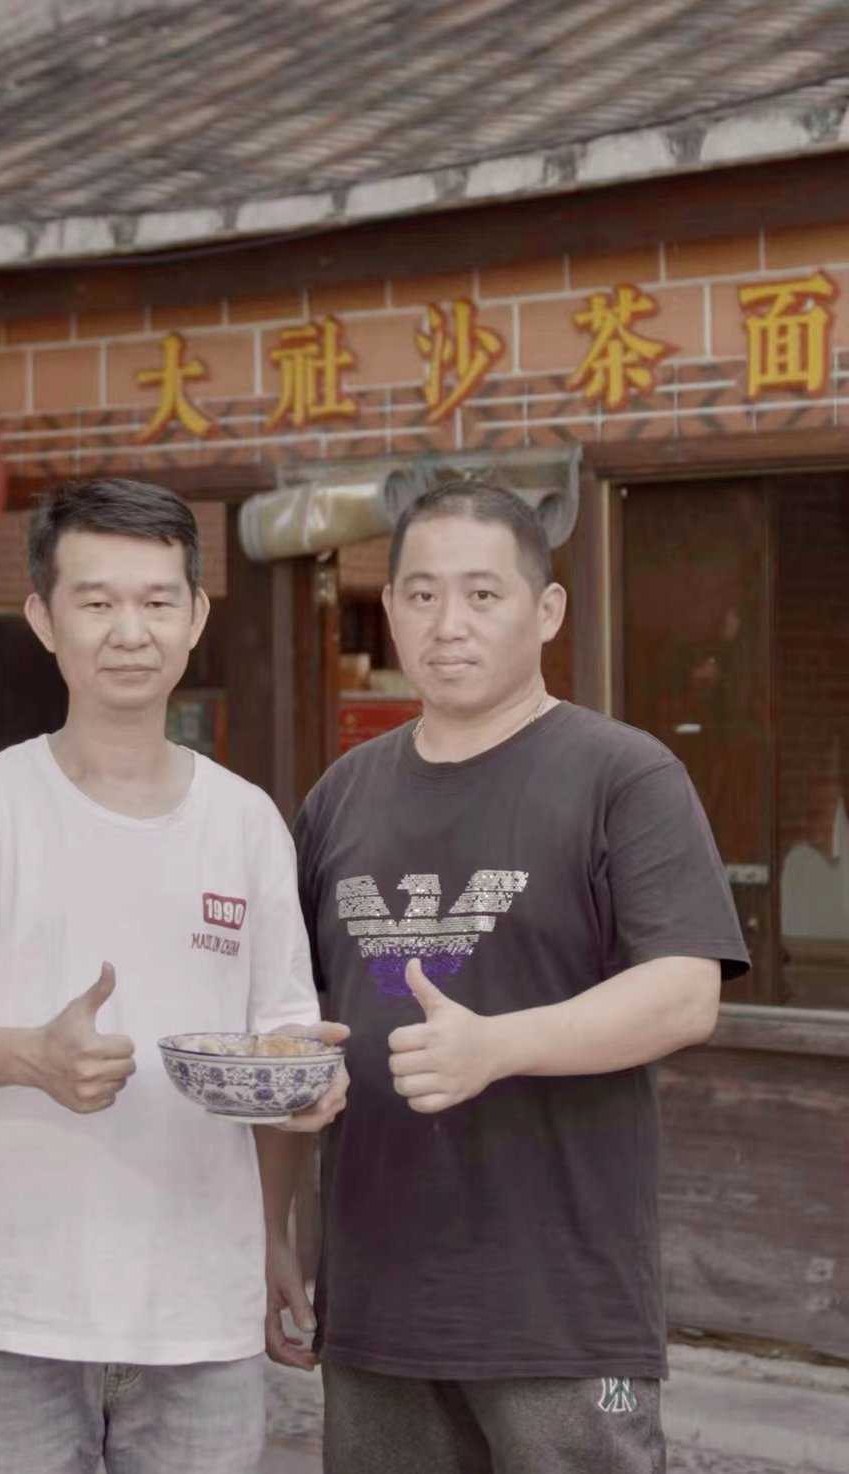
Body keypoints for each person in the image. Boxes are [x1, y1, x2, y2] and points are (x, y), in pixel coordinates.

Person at [0, 477, 347, 1474]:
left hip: (199, 1311)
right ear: (42, 616)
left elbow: (282, 1044)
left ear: (197, 617)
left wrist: (275, 1229)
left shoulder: (244, 822)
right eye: (97, 599)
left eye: (159, 600)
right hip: (5, 1308)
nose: (132, 630)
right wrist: (25, 1054)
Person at [291, 479, 749, 1473]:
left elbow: (685, 990)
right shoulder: (339, 799)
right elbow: (300, 1028)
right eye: (419, 594)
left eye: (483, 594)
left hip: (567, 1317)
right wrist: (275, 1231)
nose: (447, 623)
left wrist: (498, 1046)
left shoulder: (622, 775)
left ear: (546, 611)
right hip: (375, 1306)